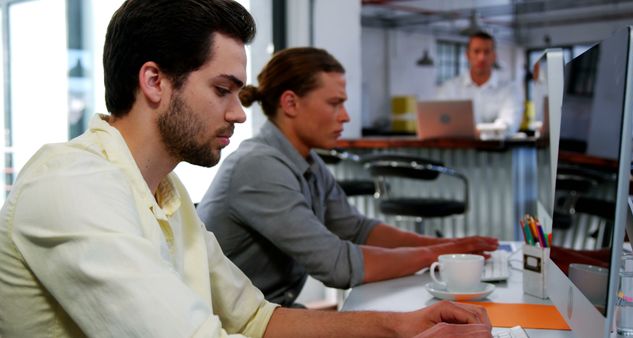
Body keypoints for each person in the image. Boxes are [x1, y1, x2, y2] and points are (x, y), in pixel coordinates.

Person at [0, 1, 493, 337]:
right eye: (222, 90)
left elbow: (259, 319)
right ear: (153, 81)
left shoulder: (167, 194)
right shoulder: (72, 184)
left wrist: (401, 326)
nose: (239, 112)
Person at [196, 47, 499, 307]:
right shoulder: (259, 166)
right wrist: (437, 253)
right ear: (290, 103)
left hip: (273, 312)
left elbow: (357, 229)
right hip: (229, 327)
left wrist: (449, 247)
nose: (346, 116)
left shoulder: (308, 162)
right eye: (334, 103)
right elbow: (338, 266)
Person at [436, 31, 524, 135]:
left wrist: (471, 132)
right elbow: (439, 123)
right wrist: (490, 130)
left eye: (486, 52)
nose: (481, 58)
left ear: (494, 56)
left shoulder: (510, 89)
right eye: (476, 51)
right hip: (458, 149)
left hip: (496, 150)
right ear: (468, 55)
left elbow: (508, 126)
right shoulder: (449, 88)